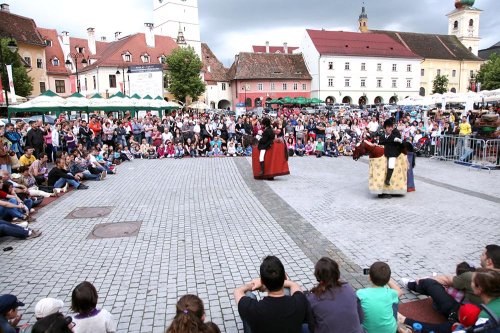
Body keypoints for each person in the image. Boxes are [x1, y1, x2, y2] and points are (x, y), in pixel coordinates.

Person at [400, 244, 500, 323]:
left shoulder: (475, 276)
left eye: (483, 254)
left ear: (489, 262)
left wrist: (426, 278)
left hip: (465, 315)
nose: (480, 256)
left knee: (429, 283)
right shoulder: (493, 277)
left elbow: (446, 279)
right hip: (477, 314)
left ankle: (411, 284)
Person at [399, 268, 500, 333]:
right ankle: (410, 284)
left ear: (479, 289)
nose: (470, 283)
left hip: (464, 319)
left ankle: (405, 320)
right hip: (460, 310)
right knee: (429, 283)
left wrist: (460, 327)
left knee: (442, 329)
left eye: (472, 282)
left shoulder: (485, 318)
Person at [234, 255, 308, 333]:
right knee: (287, 289)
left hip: (256, 319)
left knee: (248, 294)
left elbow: (237, 291)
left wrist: (255, 285)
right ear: (285, 277)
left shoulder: (254, 309)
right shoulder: (299, 301)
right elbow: (293, 285)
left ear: (262, 281)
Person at [306, 257, 364, 333]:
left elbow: (311, 326)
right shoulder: (348, 288)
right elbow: (361, 318)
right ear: (337, 273)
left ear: (318, 277)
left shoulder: (312, 299)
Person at [356, 261, 402, 333]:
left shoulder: (361, 293)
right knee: (394, 301)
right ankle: (397, 323)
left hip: (368, 331)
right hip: (391, 331)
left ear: (370, 277)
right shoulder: (390, 293)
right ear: (388, 279)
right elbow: (400, 292)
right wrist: (386, 279)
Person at [378, 119, 403, 186]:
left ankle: (388, 179)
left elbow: (400, 145)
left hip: (392, 154)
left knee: (391, 163)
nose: (390, 128)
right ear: (385, 128)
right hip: (383, 153)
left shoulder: (394, 137)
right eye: (388, 127)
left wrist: (398, 141)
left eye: (391, 127)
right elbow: (379, 144)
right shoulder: (382, 137)